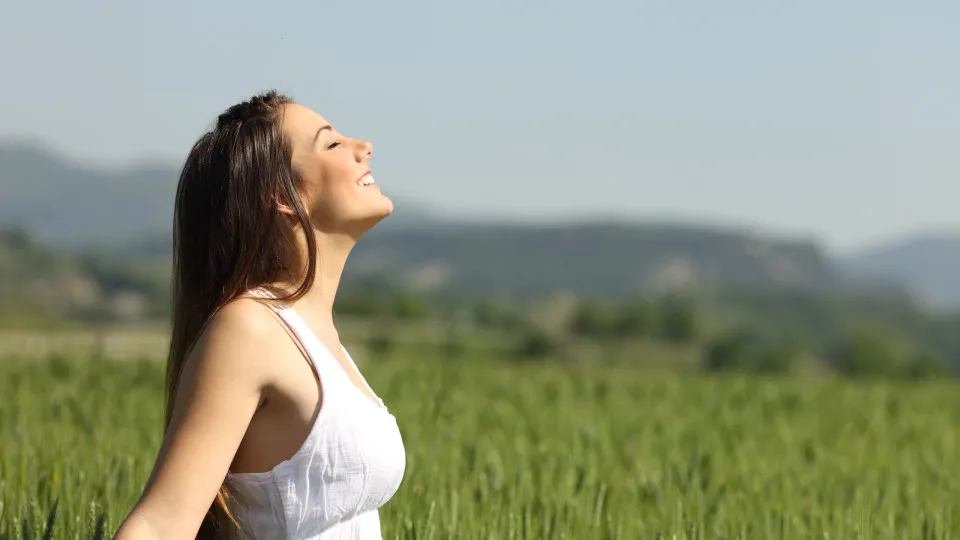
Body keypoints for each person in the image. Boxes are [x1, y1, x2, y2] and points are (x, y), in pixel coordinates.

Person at [115, 91, 406, 540]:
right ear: (282, 196)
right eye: (331, 144)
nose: (362, 146)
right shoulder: (249, 329)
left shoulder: (315, 334)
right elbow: (160, 524)